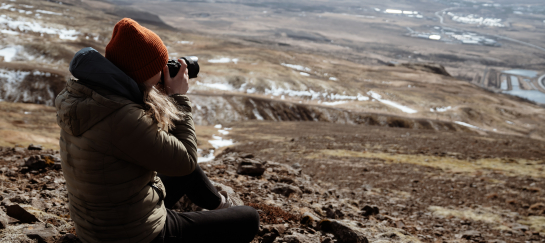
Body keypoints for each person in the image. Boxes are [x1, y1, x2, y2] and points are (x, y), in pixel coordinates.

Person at [55, 18, 259, 243]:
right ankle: (224, 211)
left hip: (100, 227)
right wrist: (177, 98)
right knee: (249, 218)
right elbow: (186, 160)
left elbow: (162, 151)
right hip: (136, 236)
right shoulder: (123, 117)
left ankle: (221, 207)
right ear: (141, 73)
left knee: (181, 166)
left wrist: (147, 91)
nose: (163, 71)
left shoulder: (91, 98)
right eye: (158, 67)